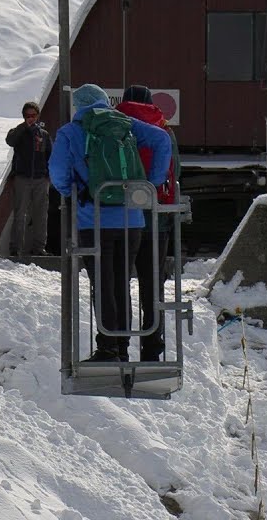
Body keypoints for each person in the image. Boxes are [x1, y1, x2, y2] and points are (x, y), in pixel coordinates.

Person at [49, 83, 171, 362]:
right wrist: (149, 185)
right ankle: (122, 346)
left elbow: (57, 170)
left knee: (103, 284)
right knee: (120, 282)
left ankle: (108, 348)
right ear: (105, 101)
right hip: (132, 220)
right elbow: (162, 139)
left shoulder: (71, 131)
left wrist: (71, 192)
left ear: (79, 106)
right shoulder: (126, 124)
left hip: (94, 220)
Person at [114, 84, 180, 361]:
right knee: (152, 283)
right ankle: (152, 347)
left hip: (120, 217)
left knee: (118, 282)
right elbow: (175, 169)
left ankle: (118, 346)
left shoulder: (115, 127)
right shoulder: (163, 130)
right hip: (157, 217)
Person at [5, 101, 52, 257]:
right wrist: (23, 127)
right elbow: (10, 141)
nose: (31, 118)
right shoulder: (18, 132)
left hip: (40, 179)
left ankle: (39, 248)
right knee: (20, 214)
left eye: (33, 115)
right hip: (22, 178)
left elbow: (50, 155)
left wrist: (48, 175)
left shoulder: (44, 134)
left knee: (41, 215)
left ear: (38, 116)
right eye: (27, 115)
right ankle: (15, 248)